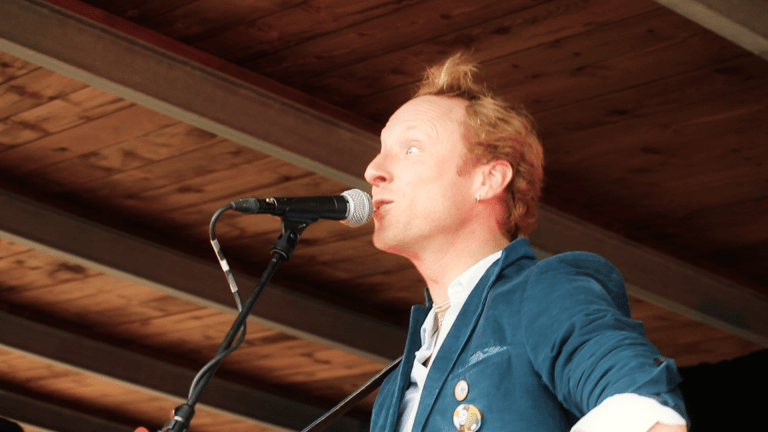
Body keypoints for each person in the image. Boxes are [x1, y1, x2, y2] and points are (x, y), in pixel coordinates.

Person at [364, 53, 688, 432]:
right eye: (381, 150)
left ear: (488, 179)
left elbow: (651, 418)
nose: (373, 170)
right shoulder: (395, 387)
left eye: (411, 149)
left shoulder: (543, 292)